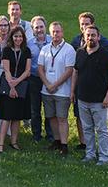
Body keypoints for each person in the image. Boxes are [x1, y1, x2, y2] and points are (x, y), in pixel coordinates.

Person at [69, 11, 108, 150]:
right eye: (82, 24)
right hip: (82, 91)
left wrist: (102, 62)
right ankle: (86, 146)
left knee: (100, 127)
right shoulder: (77, 42)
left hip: (98, 94)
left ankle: (104, 155)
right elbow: (75, 67)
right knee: (81, 120)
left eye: (87, 24)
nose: (84, 27)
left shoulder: (102, 43)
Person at [38, 21, 76, 156]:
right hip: (46, 90)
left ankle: (64, 145)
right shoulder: (45, 49)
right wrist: (48, 84)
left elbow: (69, 70)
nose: (56, 34)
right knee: (51, 117)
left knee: (62, 118)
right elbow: (40, 69)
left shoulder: (69, 49)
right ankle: (57, 141)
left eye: (58, 31)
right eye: (53, 32)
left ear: (62, 32)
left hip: (62, 91)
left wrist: (55, 85)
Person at [0, 26, 31, 153]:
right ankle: (0, 143)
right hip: (8, 84)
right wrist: (12, 86)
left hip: (21, 84)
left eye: (20, 36)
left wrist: (17, 82)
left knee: (17, 116)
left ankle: (14, 141)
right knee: (6, 116)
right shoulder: (6, 50)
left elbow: (27, 71)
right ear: (12, 37)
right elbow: (6, 69)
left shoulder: (26, 50)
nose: (18, 39)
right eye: (16, 36)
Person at [27, 15, 53, 142]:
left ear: (45, 27)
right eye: (36, 27)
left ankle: (50, 134)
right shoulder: (29, 44)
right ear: (33, 29)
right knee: (35, 108)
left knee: (48, 107)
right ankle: (36, 135)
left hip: (49, 80)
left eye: (41, 27)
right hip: (34, 79)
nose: (39, 29)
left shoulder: (53, 41)